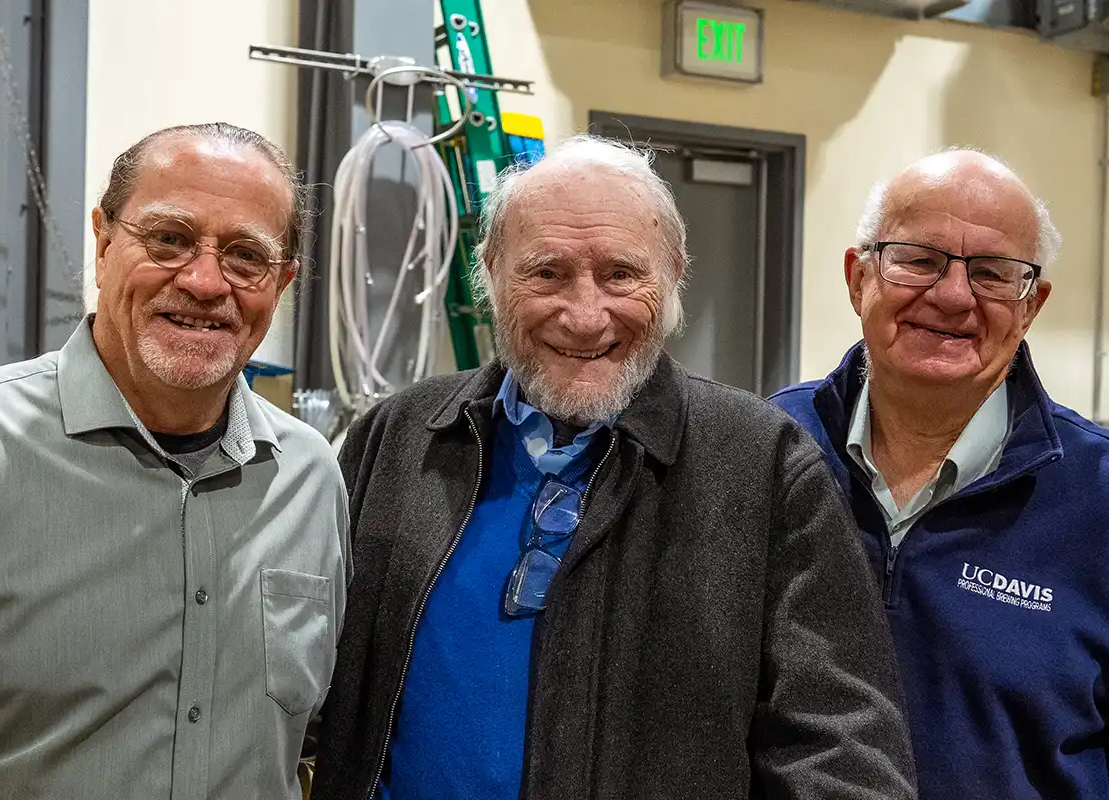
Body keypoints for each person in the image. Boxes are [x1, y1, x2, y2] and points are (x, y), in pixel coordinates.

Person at [312, 135, 916, 800]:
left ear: (675, 274)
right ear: (489, 272)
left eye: (621, 275)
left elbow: (840, 744)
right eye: (545, 273)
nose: (584, 314)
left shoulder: (763, 467)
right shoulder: (399, 437)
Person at [770, 149, 1109, 797]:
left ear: (1032, 304)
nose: (953, 296)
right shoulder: (771, 454)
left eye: (992, 273)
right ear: (857, 278)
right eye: (919, 259)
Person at [0, 123, 349, 798]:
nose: (203, 281)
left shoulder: (308, 478)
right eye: (169, 239)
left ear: (280, 285)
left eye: (246, 256)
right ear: (104, 245)